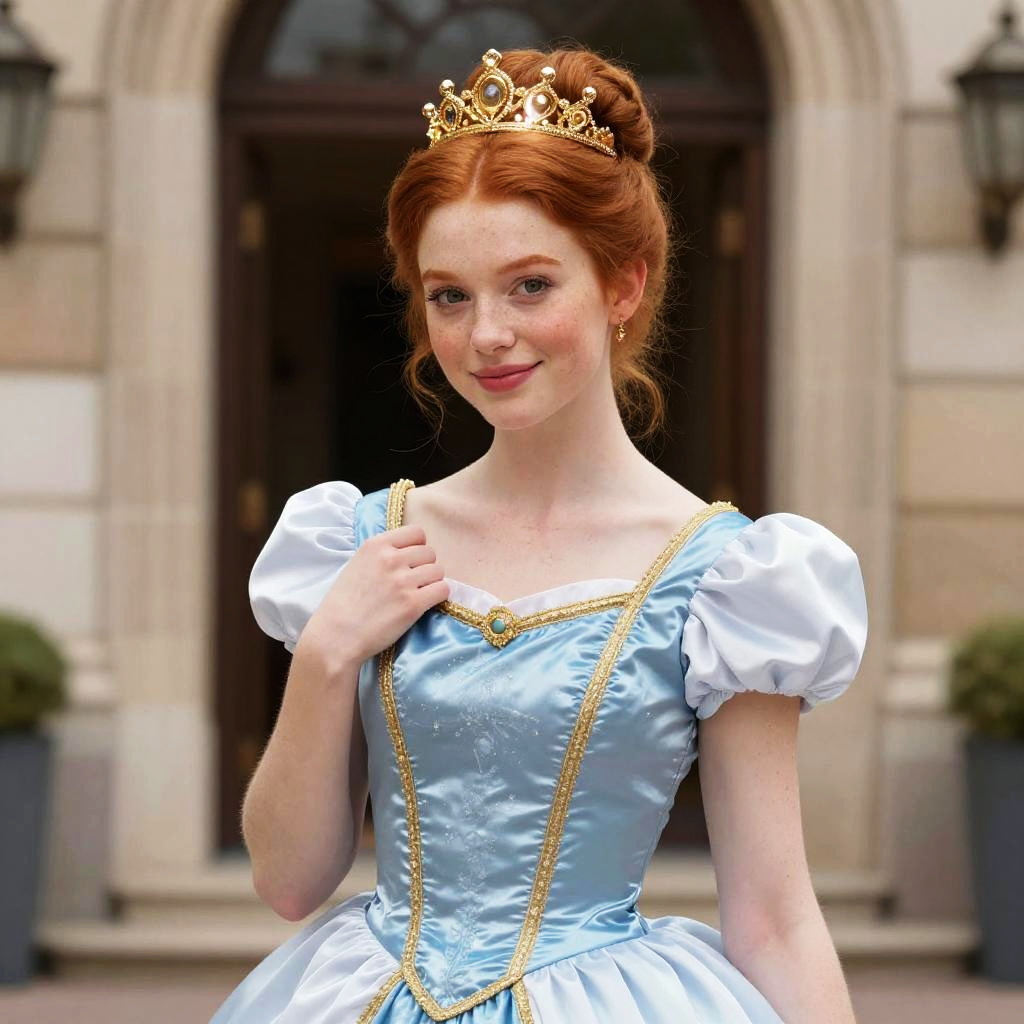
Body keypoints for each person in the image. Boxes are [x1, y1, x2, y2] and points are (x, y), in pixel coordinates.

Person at [209, 45, 868, 1024]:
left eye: (529, 285)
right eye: (449, 294)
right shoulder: (360, 542)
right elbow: (288, 882)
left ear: (622, 286)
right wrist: (326, 651)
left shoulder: (729, 581)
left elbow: (773, 917)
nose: (486, 335)